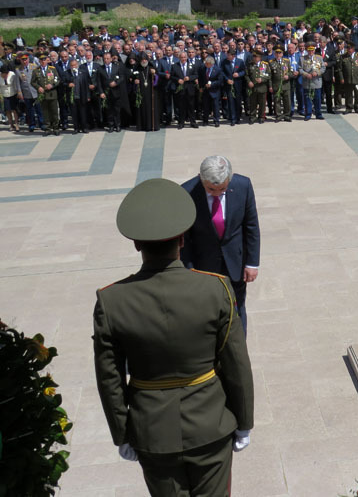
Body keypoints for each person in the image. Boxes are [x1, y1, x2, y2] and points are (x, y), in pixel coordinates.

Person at [94, 177, 254, 497]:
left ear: (137, 243)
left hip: (151, 431)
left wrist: (121, 433)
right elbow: (236, 363)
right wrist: (244, 421)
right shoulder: (216, 288)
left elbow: (109, 379)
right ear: (183, 238)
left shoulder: (111, 301)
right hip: (210, 424)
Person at [181, 156, 260, 334]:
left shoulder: (243, 186)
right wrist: (189, 270)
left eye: (222, 189)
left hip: (235, 263)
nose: (217, 193)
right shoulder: (186, 192)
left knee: (238, 309)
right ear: (201, 179)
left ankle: (238, 350)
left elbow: (251, 226)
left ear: (229, 179)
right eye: (211, 189)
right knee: (207, 312)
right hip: (204, 266)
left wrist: (252, 263)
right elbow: (184, 238)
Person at [31, 54, 60, 135]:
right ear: (39, 61)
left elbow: (57, 79)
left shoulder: (52, 69)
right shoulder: (36, 70)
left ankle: (56, 127)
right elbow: (32, 82)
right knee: (45, 112)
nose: (43, 62)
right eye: (41, 60)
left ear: (47, 61)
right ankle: (47, 128)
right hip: (43, 95)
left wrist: (52, 85)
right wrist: (38, 87)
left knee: (54, 111)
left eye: (44, 60)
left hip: (52, 94)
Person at [132, 54, 161, 132]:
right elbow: (132, 80)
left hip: (150, 93)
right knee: (142, 109)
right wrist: (135, 82)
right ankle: (142, 126)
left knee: (151, 108)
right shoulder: (137, 69)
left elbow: (157, 81)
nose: (144, 61)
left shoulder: (152, 68)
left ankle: (152, 126)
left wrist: (154, 74)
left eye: (145, 59)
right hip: (141, 92)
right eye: (142, 60)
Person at [171, 51, 199, 129]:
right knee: (181, 107)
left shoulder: (192, 65)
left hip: (190, 89)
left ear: (186, 58)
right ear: (179, 58)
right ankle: (181, 122)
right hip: (180, 90)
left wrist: (189, 78)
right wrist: (177, 80)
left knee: (191, 106)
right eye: (181, 57)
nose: (183, 59)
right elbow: (172, 76)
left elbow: (196, 75)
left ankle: (193, 122)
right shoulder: (175, 66)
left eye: (184, 57)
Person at [336, 41, 358, 114]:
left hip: (357, 78)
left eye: (350, 48)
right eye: (348, 48)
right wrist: (341, 78)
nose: (349, 50)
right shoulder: (343, 57)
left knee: (357, 94)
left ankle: (357, 107)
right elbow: (340, 69)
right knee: (348, 94)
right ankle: (349, 107)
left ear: (353, 49)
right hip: (347, 79)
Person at [98, 51, 123, 132]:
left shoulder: (117, 67)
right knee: (109, 110)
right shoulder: (100, 68)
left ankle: (118, 125)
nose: (106, 60)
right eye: (104, 59)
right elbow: (99, 82)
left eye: (108, 58)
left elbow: (122, 77)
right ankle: (111, 125)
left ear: (111, 59)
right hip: (106, 92)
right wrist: (101, 92)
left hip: (116, 92)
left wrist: (116, 82)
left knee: (117, 110)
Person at [299, 43, 325, 120]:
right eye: (309, 50)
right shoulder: (302, 58)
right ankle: (308, 114)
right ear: (307, 50)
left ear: (314, 50)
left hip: (316, 81)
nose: (311, 52)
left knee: (317, 99)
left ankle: (318, 113)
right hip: (307, 82)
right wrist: (306, 74)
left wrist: (317, 73)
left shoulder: (319, 58)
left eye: (312, 50)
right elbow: (300, 69)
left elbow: (323, 68)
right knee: (307, 99)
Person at [267, 46, 292, 121]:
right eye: (277, 53)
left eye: (280, 53)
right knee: (277, 101)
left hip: (285, 84)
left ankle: (287, 115)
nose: (278, 54)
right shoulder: (271, 62)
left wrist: (288, 76)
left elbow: (291, 72)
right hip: (276, 84)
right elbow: (270, 76)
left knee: (287, 101)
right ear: (274, 54)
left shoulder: (287, 61)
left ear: (282, 54)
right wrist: (270, 86)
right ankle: (278, 115)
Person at [245, 50, 269, 124]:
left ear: (260, 57)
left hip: (262, 87)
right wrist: (249, 81)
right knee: (253, 103)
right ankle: (253, 116)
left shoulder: (265, 65)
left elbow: (269, 75)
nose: (255, 58)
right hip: (253, 87)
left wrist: (262, 79)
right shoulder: (250, 65)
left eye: (256, 57)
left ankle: (261, 117)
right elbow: (246, 75)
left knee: (262, 103)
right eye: (254, 56)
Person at [201, 55, 223, 127]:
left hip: (214, 91)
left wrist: (212, 84)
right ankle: (205, 120)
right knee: (205, 106)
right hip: (206, 91)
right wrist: (201, 86)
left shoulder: (218, 70)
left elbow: (219, 81)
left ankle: (216, 120)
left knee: (215, 106)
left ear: (211, 64)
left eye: (207, 64)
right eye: (205, 63)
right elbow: (201, 78)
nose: (206, 64)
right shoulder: (203, 69)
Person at [0, 64, 21, 132]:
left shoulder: (12, 74)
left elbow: (16, 84)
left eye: (6, 73)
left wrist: (18, 92)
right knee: (8, 111)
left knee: (14, 110)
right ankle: (11, 125)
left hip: (13, 93)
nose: (5, 75)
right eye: (3, 73)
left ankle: (17, 124)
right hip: (5, 95)